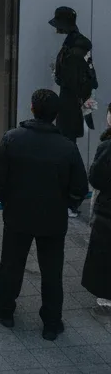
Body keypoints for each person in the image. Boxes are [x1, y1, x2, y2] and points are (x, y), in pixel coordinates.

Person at [0, 87, 89, 340]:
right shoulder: (66, 147)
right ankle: (51, 322)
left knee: (11, 263)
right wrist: (67, 204)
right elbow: (79, 187)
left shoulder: (13, 138)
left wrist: (7, 199)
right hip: (53, 219)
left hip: (18, 213)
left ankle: (5, 309)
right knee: (52, 271)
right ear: (56, 115)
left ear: (32, 108)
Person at [49, 5, 99, 145]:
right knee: (67, 141)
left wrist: (57, 75)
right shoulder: (76, 45)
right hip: (73, 102)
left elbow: (70, 79)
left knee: (66, 141)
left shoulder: (74, 49)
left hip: (70, 103)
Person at [82, 103, 111, 317]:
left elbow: (96, 178)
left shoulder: (107, 146)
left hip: (107, 210)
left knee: (104, 252)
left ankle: (106, 296)